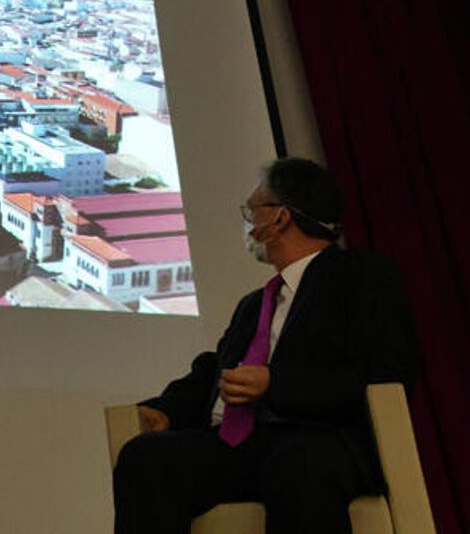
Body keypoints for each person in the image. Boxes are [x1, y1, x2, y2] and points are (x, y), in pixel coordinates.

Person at [113, 158, 418, 534]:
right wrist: (167, 410)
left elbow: (386, 370)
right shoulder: (254, 304)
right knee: (148, 458)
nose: (247, 222)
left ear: (280, 218)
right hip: (246, 445)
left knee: (295, 465)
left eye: (251, 210)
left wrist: (276, 385)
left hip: (321, 438)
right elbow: (217, 371)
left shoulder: (360, 276)